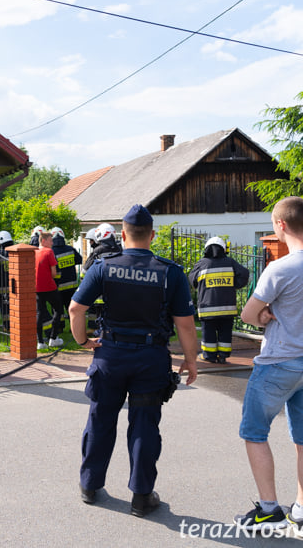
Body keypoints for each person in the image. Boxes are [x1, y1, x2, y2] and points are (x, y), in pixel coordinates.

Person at [69, 204, 199, 518]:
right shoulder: (171, 272)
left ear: (123, 235)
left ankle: (90, 485)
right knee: (144, 426)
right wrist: (191, 360)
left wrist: (84, 341)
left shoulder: (103, 266)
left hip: (110, 356)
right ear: (152, 235)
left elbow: (76, 310)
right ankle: (141, 496)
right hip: (150, 358)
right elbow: (185, 323)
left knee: (101, 420)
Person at [235, 196, 303, 536]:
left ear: (280, 225)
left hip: (279, 363)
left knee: (254, 432)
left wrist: (264, 315)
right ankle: (302, 513)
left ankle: (268, 510)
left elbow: (249, 315)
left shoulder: (281, 268)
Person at [188, 236, 250, 363]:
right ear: (223, 249)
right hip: (227, 308)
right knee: (225, 333)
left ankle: (209, 356)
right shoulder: (230, 262)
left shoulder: (202, 264)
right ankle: (223, 356)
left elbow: (192, 280)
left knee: (208, 333)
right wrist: (235, 284)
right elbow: (244, 274)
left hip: (207, 308)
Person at [51, 227, 83, 341]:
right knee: (71, 308)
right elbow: (79, 260)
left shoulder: (52, 252)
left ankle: (59, 328)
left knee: (57, 309)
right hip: (72, 285)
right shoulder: (70, 249)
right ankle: (73, 328)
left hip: (58, 286)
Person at [35, 230, 64, 348]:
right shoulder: (49, 252)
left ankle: (40, 342)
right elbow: (54, 273)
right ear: (43, 240)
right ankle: (53, 338)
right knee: (58, 310)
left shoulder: (34, 252)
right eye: (50, 240)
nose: (52, 243)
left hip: (36, 287)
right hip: (49, 287)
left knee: (39, 313)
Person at [0, 230, 15, 328]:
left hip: (3, 286)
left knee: (5, 308)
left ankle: (7, 326)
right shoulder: (15, 252)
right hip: (16, 286)